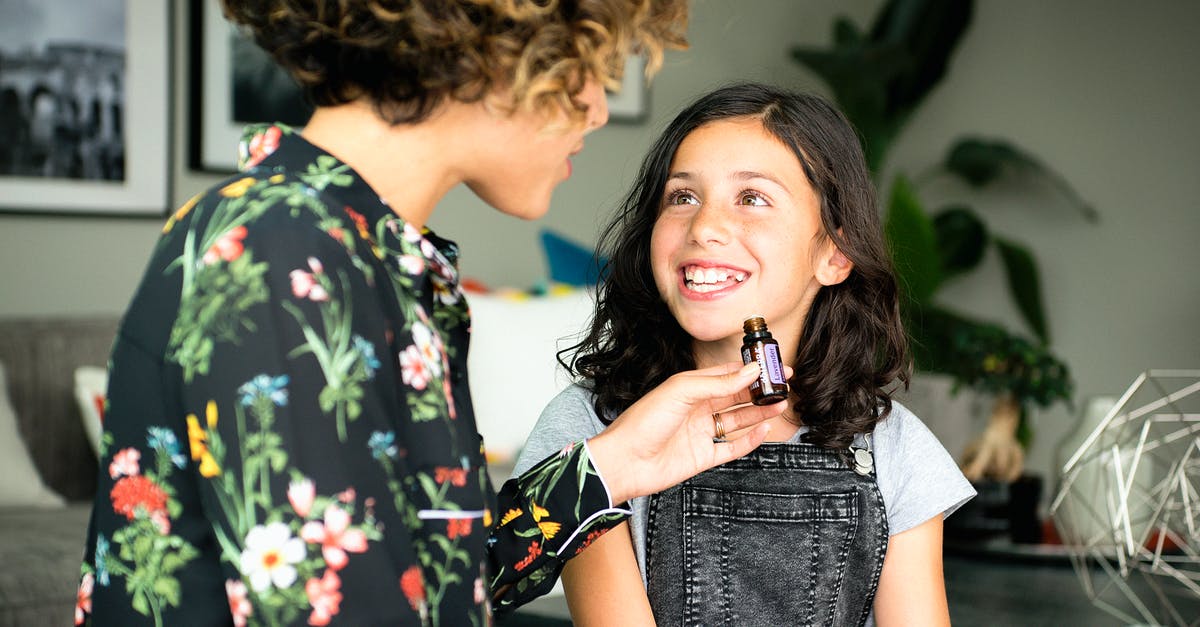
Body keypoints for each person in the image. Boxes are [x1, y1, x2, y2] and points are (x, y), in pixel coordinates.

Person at [75, 3, 794, 625]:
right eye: (585, 65)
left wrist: (610, 466)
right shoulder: (283, 256)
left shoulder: (360, 253)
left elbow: (425, 578)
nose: (598, 108)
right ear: (495, 43)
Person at [513, 83, 977, 626]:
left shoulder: (895, 447)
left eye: (752, 198)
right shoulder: (590, 429)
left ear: (834, 254)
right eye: (682, 196)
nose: (704, 227)